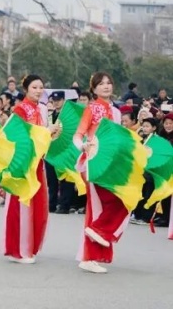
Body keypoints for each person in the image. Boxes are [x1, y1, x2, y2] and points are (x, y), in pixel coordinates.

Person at [74, 72, 128, 274]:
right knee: (96, 207)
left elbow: (118, 139)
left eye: (109, 83)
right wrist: (82, 146)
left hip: (112, 163)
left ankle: (98, 237)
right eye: (101, 84)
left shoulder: (115, 111)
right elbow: (78, 135)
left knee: (123, 200)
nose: (106, 86)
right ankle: (89, 257)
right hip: (94, 162)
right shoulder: (91, 108)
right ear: (94, 88)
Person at [4, 74, 49, 264]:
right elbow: (18, 136)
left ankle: (30, 247)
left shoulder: (43, 109)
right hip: (23, 162)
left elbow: (43, 137)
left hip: (37, 162)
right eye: (34, 87)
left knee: (38, 205)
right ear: (26, 90)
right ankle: (18, 250)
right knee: (21, 205)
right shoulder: (20, 110)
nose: (38, 91)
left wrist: (51, 134)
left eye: (40, 87)